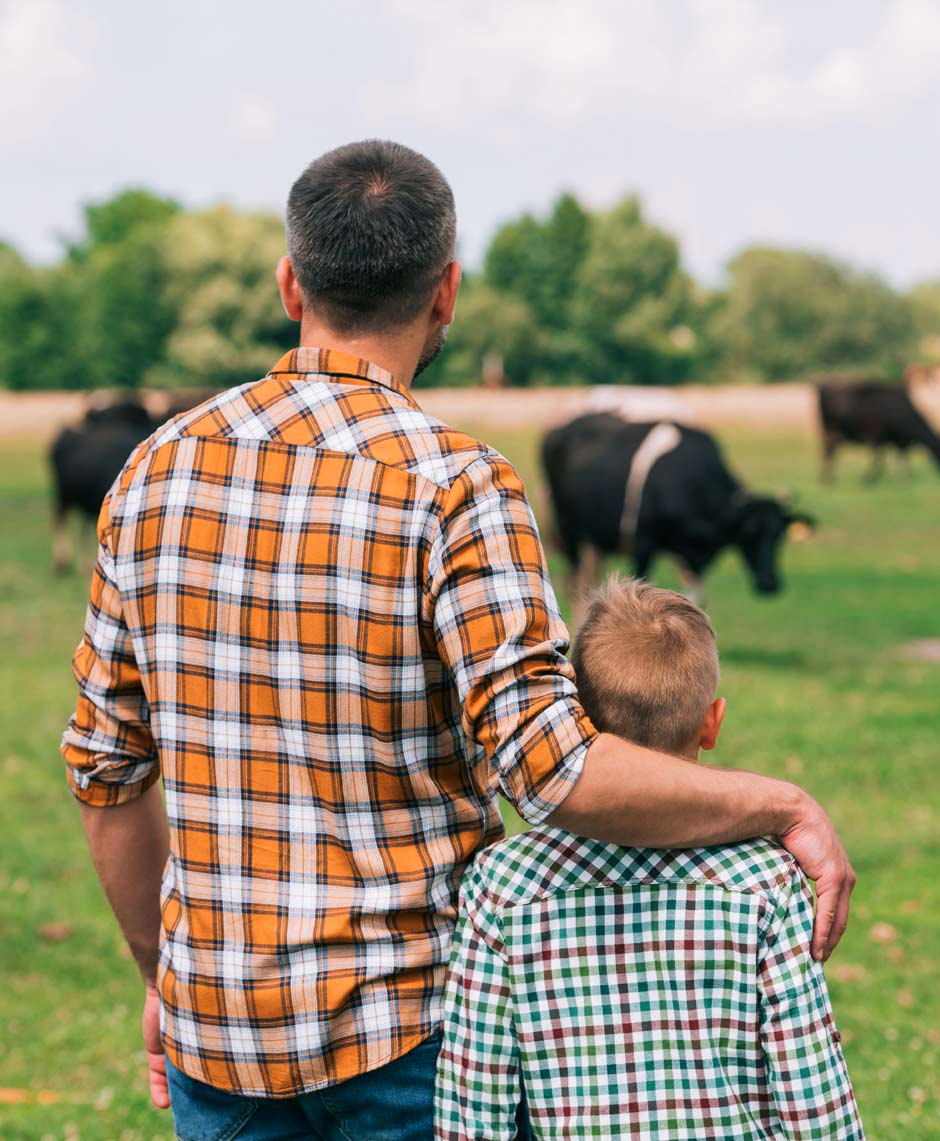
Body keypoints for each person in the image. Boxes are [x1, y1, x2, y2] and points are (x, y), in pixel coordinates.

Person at [61, 140, 854, 1140]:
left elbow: (106, 772)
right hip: (420, 1043)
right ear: (447, 292)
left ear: (289, 281)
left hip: (215, 1036)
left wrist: (160, 974)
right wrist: (780, 803)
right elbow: (549, 768)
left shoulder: (150, 474)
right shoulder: (458, 486)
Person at [437, 577, 864, 1139]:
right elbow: (814, 1100)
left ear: (578, 720)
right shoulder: (767, 881)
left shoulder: (503, 884)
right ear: (712, 723)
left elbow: (474, 1100)